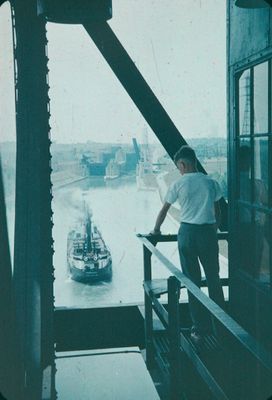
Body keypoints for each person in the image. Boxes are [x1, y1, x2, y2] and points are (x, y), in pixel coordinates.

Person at [151, 145, 225, 343]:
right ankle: (221, 326)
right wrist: (212, 228)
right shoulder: (211, 182)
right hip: (208, 234)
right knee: (213, 279)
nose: (179, 170)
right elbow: (218, 212)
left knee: (193, 283)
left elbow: (164, 210)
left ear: (182, 164)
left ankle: (199, 329)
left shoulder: (178, 184)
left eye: (179, 167)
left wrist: (156, 230)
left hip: (188, 234)